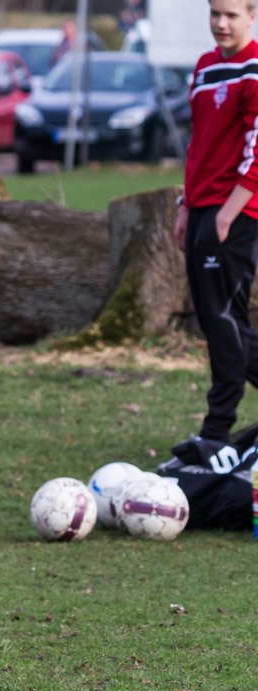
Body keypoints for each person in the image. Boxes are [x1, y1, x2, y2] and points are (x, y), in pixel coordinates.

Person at [173, 0, 258, 444]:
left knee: (224, 318)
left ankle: (217, 430)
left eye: (231, 15)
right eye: (214, 14)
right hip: (203, 210)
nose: (221, 24)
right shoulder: (205, 67)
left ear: (252, 16)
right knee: (217, 319)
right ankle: (218, 427)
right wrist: (187, 205)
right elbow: (200, 145)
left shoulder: (254, 69)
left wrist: (228, 212)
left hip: (235, 213)